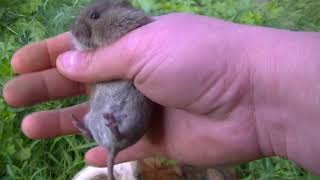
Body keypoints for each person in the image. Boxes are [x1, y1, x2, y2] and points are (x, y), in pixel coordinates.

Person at [3, 13, 320, 175]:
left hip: (125, 118)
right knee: (104, 124)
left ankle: (105, 131)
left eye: (95, 16)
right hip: (115, 118)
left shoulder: (129, 26)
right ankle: (101, 130)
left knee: (110, 125)